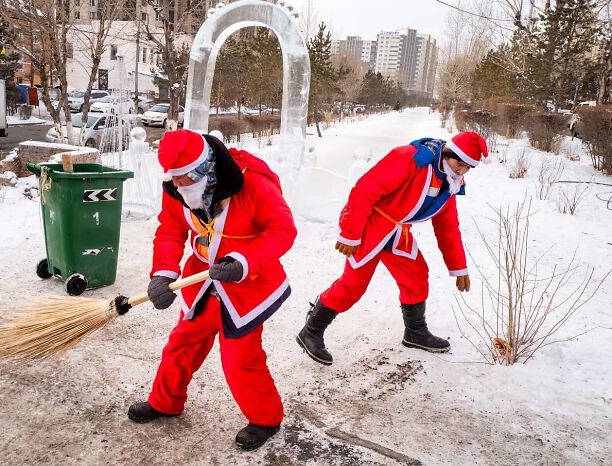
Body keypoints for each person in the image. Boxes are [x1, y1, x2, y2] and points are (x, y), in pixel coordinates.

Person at [128, 129, 297, 451]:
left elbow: (282, 230)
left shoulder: (254, 185)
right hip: (202, 282)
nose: (177, 185)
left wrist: (244, 262)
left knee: (240, 358)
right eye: (173, 179)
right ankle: (166, 401)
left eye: (184, 178)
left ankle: (265, 418)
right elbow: (170, 231)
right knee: (182, 343)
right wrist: (163, 274)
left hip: (248, 286)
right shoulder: (175, 188)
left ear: (205, 167)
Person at [296, 132, 488, 365]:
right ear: (449, 153)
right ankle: (312, 330)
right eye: (460, 164)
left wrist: (458, 267)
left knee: (416, 276)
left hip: (397, 233)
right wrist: (350, 232)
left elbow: (448, 228)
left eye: (468, 168)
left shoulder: (450, 183)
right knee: (353, 286)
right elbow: (365, 190)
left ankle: (415, 331)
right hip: (370, 226)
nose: (462, 171)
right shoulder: (409, 159)